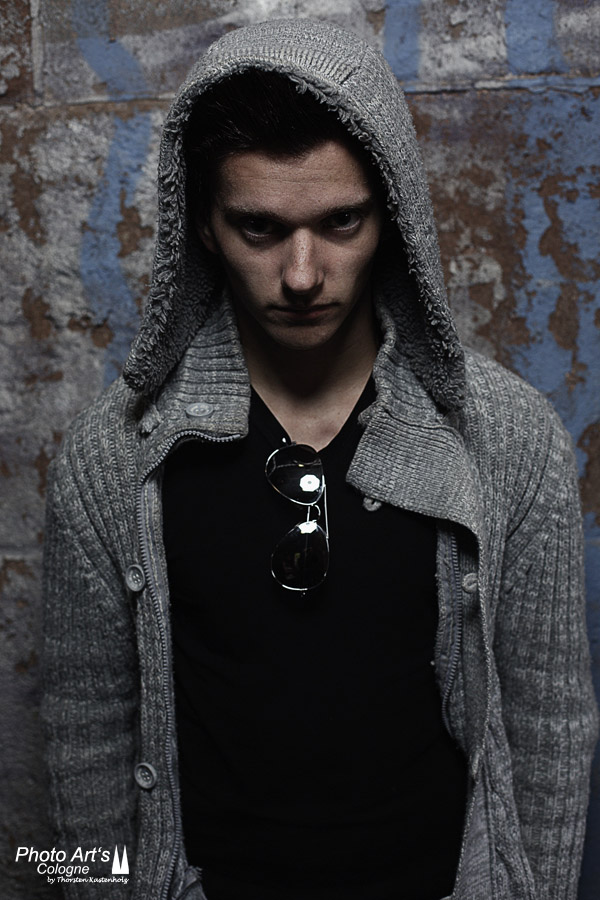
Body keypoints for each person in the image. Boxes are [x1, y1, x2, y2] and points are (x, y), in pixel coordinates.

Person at [41, 18, 598, 900]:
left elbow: (551, 728)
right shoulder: (112, 458)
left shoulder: (509, 440)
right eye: (259, 228)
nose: (303, 275)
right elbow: (80, 741)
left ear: (393, 216)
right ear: (203, 227)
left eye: (341, 222)